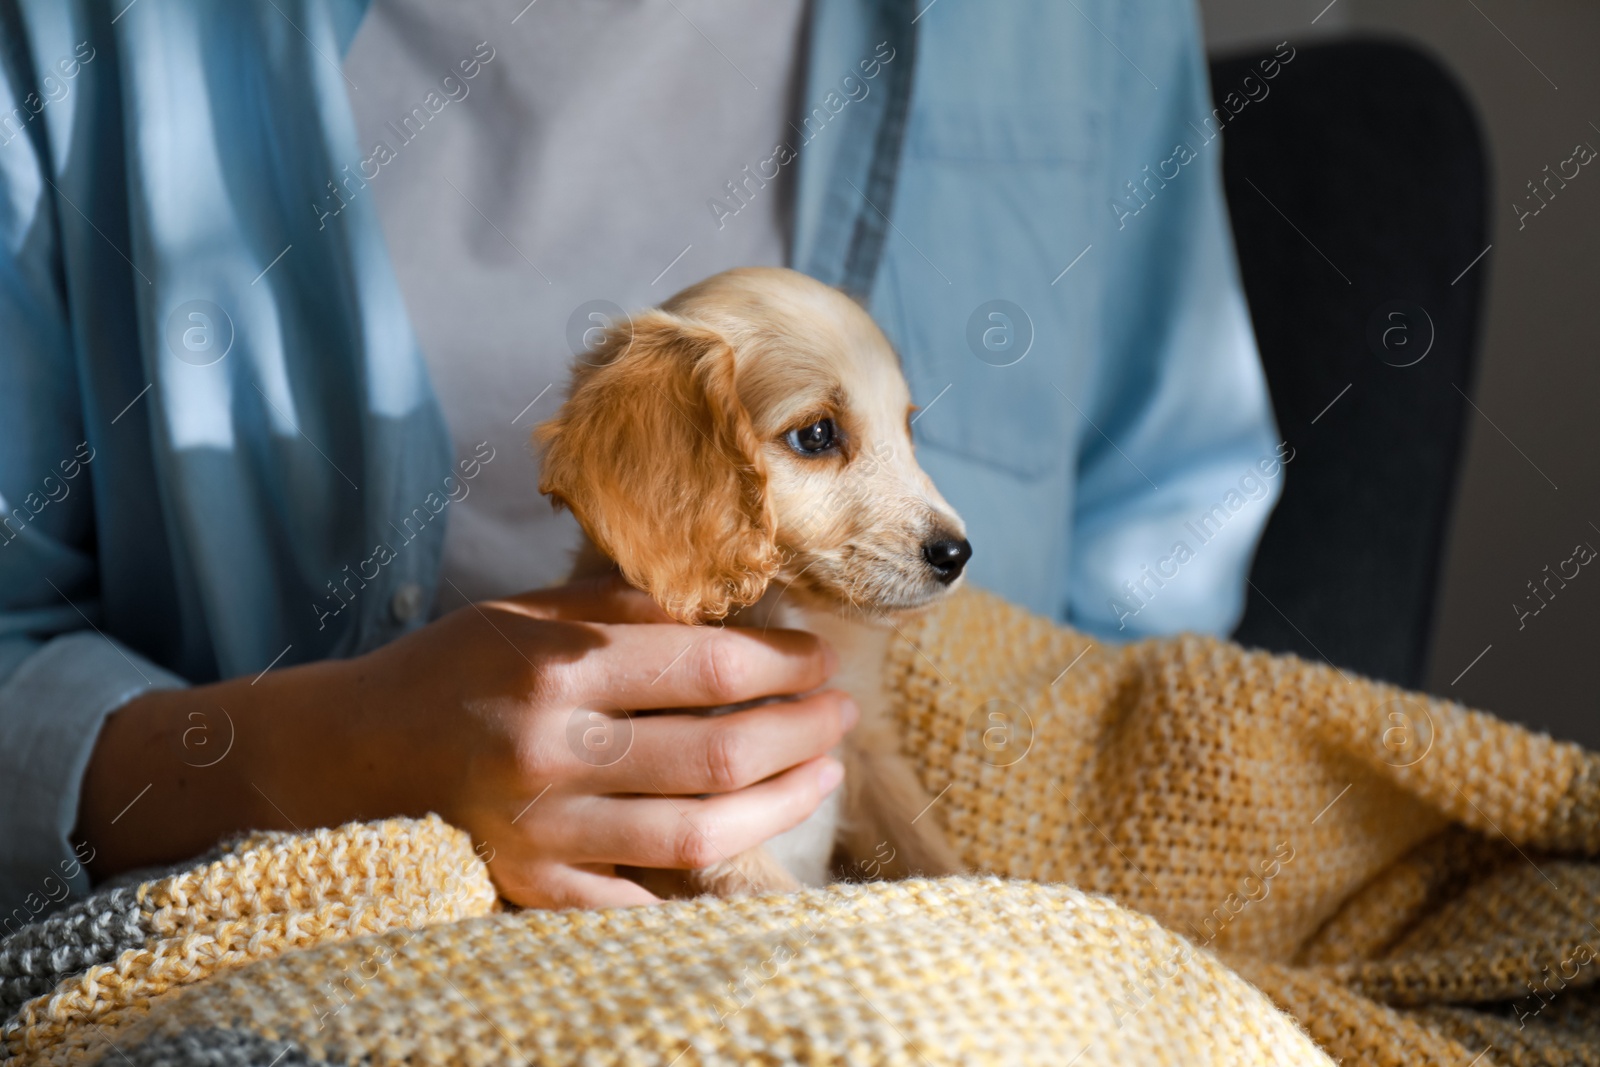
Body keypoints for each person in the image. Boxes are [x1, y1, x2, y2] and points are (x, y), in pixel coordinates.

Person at [0, 0, 1280, 917]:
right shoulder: (84, 32)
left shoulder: (1093, 24)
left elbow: (1166, 536)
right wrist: (320, 753)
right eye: (818, 437)